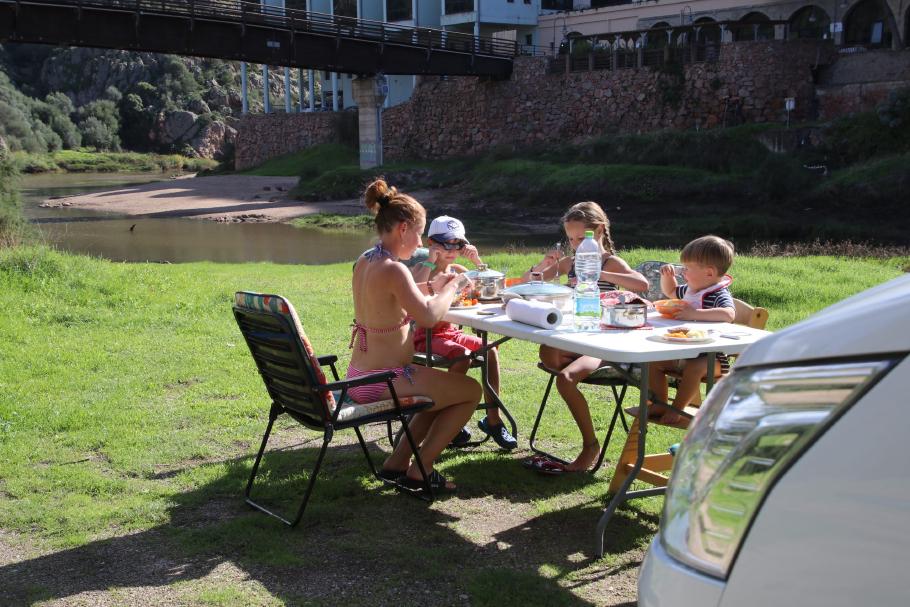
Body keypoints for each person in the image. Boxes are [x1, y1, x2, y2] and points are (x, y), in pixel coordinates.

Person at [347, 179, 481, 493]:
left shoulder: (368, 261)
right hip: (385, 379)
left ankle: (398, 463)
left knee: (437, 394)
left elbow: (395, 299)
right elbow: (428, 316)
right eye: (419, 233)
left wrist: (434, 287)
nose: (420, 241)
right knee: (470, 391)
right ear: (403, 228)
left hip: (360, 375)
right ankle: (423, 468)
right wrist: (453, 287)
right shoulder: (395, 268)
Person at [530, 201, 649, 473]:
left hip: (604, 341)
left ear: (598, 232)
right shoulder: (569, 261)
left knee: (564, 378)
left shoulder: (610, 261)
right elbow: (533, 280)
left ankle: (590, 446)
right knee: (547, 353)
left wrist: (596, 271)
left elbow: (642, 285)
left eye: (579, 237)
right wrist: (545, 264)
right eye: (570, 238)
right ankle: (576, 374)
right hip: (578, 334)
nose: (574, 244)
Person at [410, 216, 517, 450]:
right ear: (431, 242)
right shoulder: (422, 270)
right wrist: (429, 262)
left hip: (451, 332)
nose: (452, 250)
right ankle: (450, 418)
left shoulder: (460, 271)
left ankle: (493, 419)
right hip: (424, 336)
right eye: (446, 243)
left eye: (458, 244)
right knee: (461, 353)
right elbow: (413, 293)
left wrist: (477, 261)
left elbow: (488, 289)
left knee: (489, 350)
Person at [647, 235, 735, 425]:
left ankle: (677, 408)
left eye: (687, 269)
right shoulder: (692, 288)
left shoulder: (718, 294)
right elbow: (671, 292)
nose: (683, 273)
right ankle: (661, 403)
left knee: (694, 368)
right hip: (684, 352)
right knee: (653, 362)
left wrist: (696, 313)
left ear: (709, 273)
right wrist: (667, 277)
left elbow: (728, 314)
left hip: (713, 358)